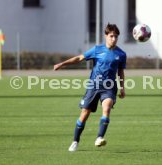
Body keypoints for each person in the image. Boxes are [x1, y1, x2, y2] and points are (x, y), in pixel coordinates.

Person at [53, 23, 126, 152]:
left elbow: (120, 72)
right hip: (93, 86)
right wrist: (62, 64)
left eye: (116, 37)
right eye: (111, 36)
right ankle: (75, 141)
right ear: (106, 36)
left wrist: (122, 88)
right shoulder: (97, 49)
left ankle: (99, 138)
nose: (114, 39)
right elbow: (79, 58)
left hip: (109, 87)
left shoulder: (121, 54)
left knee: (107, 108)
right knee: (84, 114)